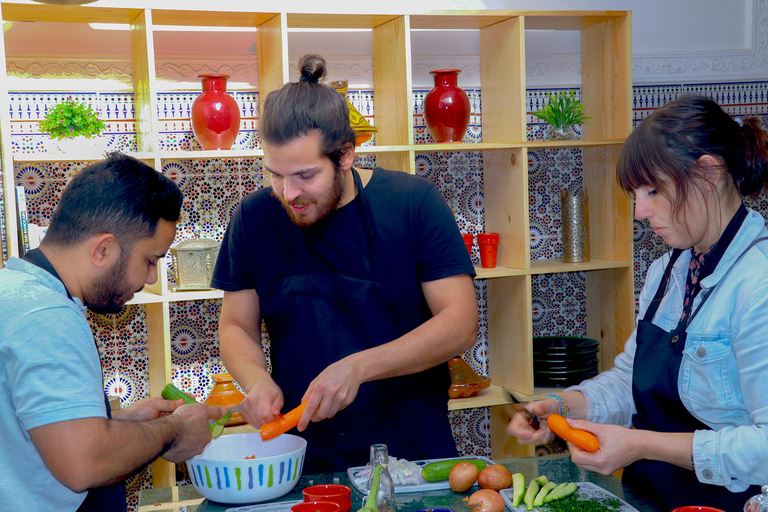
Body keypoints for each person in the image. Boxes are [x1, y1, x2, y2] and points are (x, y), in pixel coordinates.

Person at [212, 54, 478, 473]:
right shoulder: (254, 217)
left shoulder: (413, 204)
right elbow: (236, 326)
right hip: (302, 449)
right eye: (274, 175)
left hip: (410, 443)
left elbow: (460, 322)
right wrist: (257, 381)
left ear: (346, 155)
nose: (288, 192)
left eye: (305, 175)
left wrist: (359, 367)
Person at [507, 94, 768, 510]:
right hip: (647, 498)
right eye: (634, 194)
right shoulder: (668, 271)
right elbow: (630, 384)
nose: (640, 211)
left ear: (708, 173)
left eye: (652, 190)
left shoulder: (759, 285)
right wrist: (560, 406)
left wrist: (641, 444)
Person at [0, 153, 228, 512]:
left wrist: (120, 423)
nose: (151, 278)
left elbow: (33, 437)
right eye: (150, 261)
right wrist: (175, 432)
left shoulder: (15, 291)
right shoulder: (47, 316)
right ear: (103, 249)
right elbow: (84, 464)